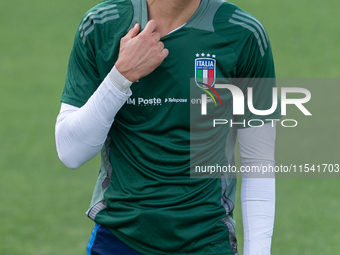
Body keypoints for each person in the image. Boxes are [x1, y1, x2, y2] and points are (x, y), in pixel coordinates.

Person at [55, 0, 281, 254]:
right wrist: (121, 76)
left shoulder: (243, 33)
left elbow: (258, 161)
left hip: (207, 240)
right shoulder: (102, 24)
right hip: (119, 239)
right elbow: (70, 153)